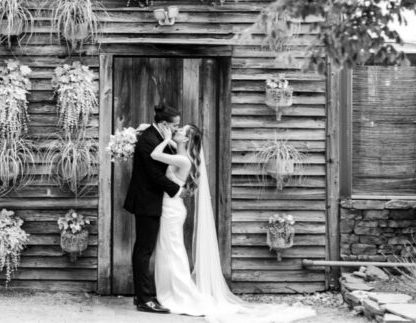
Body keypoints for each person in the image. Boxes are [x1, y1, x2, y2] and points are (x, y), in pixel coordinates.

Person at [151, 125, 315, 322]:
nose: (176, 131)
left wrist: (163, 138)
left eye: (180, 132)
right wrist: (165, 137)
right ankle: (172, 290)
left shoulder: (181, 159)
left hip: (172, 211)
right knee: (169, 251)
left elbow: (154, 154)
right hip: (171, 208)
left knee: (173, 252)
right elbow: (171, 147)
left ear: (185, 140)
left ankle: (180, 293)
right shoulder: (181, 154)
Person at [124, 103, 187, 314]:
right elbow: (155, 175)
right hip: (146, 201)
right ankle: (144, 299)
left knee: (143, 248)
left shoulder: (155, 135)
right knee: (144, 249)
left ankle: (140, 295)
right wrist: (178, 190)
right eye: (175, 125)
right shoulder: (148, 140)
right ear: (163, 124)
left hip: (151, 200)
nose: (178, 128)